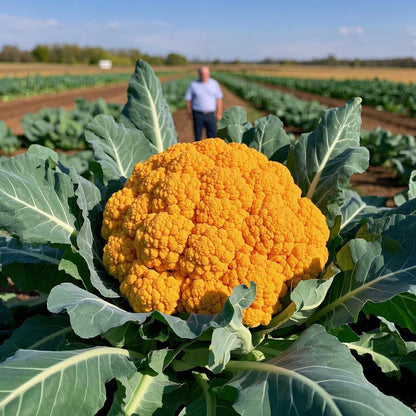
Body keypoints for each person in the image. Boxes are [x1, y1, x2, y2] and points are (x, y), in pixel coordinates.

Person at [185, 66, 223, 141]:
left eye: (206, 73)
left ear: (209, 74)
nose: (204, 75)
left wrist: (219, 113)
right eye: (202, 73)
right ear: (199, 74)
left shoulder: (214, 83)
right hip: (197, 114)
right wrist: (189, 112)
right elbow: (188, 99)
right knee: (197, 136)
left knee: (212, 137)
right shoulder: (193, 84)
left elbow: (219, 99)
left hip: (210, 114)